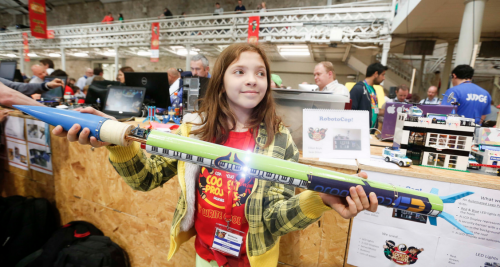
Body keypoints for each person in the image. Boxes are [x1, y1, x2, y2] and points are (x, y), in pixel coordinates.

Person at [52, 43, 378, 267]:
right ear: (220, 80)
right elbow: (144, 178)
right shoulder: (192, 131)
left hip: (253, 260)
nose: (252, 79)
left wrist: (317, 198)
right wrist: (116, 139)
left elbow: (275, 220)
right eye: (239, 71)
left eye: (260, 73)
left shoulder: (278, 142)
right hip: (205, 257)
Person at [350, 62, 387, 129]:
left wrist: (383, 111)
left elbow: (371, 109)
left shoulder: (373, 90)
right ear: (376, 74)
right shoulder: (358, 89)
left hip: (370, 132)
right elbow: (351, 110)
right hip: (359, 132)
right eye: (383, 75)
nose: (384, 78)